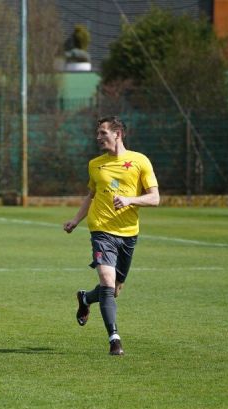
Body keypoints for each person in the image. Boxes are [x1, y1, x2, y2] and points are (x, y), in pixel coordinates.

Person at [63, 116, 159, 356]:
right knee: (107, 282)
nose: (98, 137)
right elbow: (91, 195)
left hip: (128, 233)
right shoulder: (95, 164)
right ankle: (114, 339)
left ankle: (85, 298)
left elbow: (155, 198)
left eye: (103, 133)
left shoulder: (140, 161)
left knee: (114, 290)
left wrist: (130, 199)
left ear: (118, 134)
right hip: (101, 230)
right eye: (97, 133)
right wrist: (76, 220)